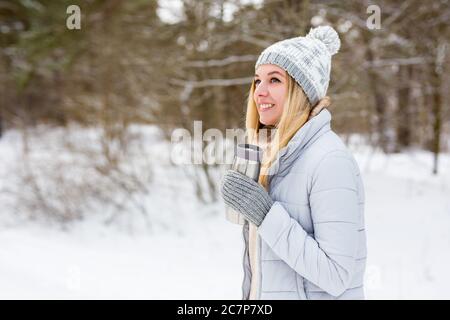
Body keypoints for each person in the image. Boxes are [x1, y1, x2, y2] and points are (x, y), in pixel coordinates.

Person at [220, 26, 367, 300]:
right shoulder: (276, 156)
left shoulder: (330, 160)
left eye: (274, 80)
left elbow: (337, 276)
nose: (259, 92)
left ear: (302, 91)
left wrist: (265, 214)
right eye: (257, 81)